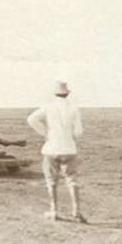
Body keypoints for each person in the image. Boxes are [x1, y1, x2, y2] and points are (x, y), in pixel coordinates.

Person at [27, 81, 87, 223]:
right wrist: (70, 136)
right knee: (71, 180)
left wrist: (45, 133)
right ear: (67, 93)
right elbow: (78, 132)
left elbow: (31, 119)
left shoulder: (48, 107)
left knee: (51, 180)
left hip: (51, 148)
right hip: (69, 149)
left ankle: (54, 211)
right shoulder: (74, 109)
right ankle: (76, 211)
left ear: (55, 93)